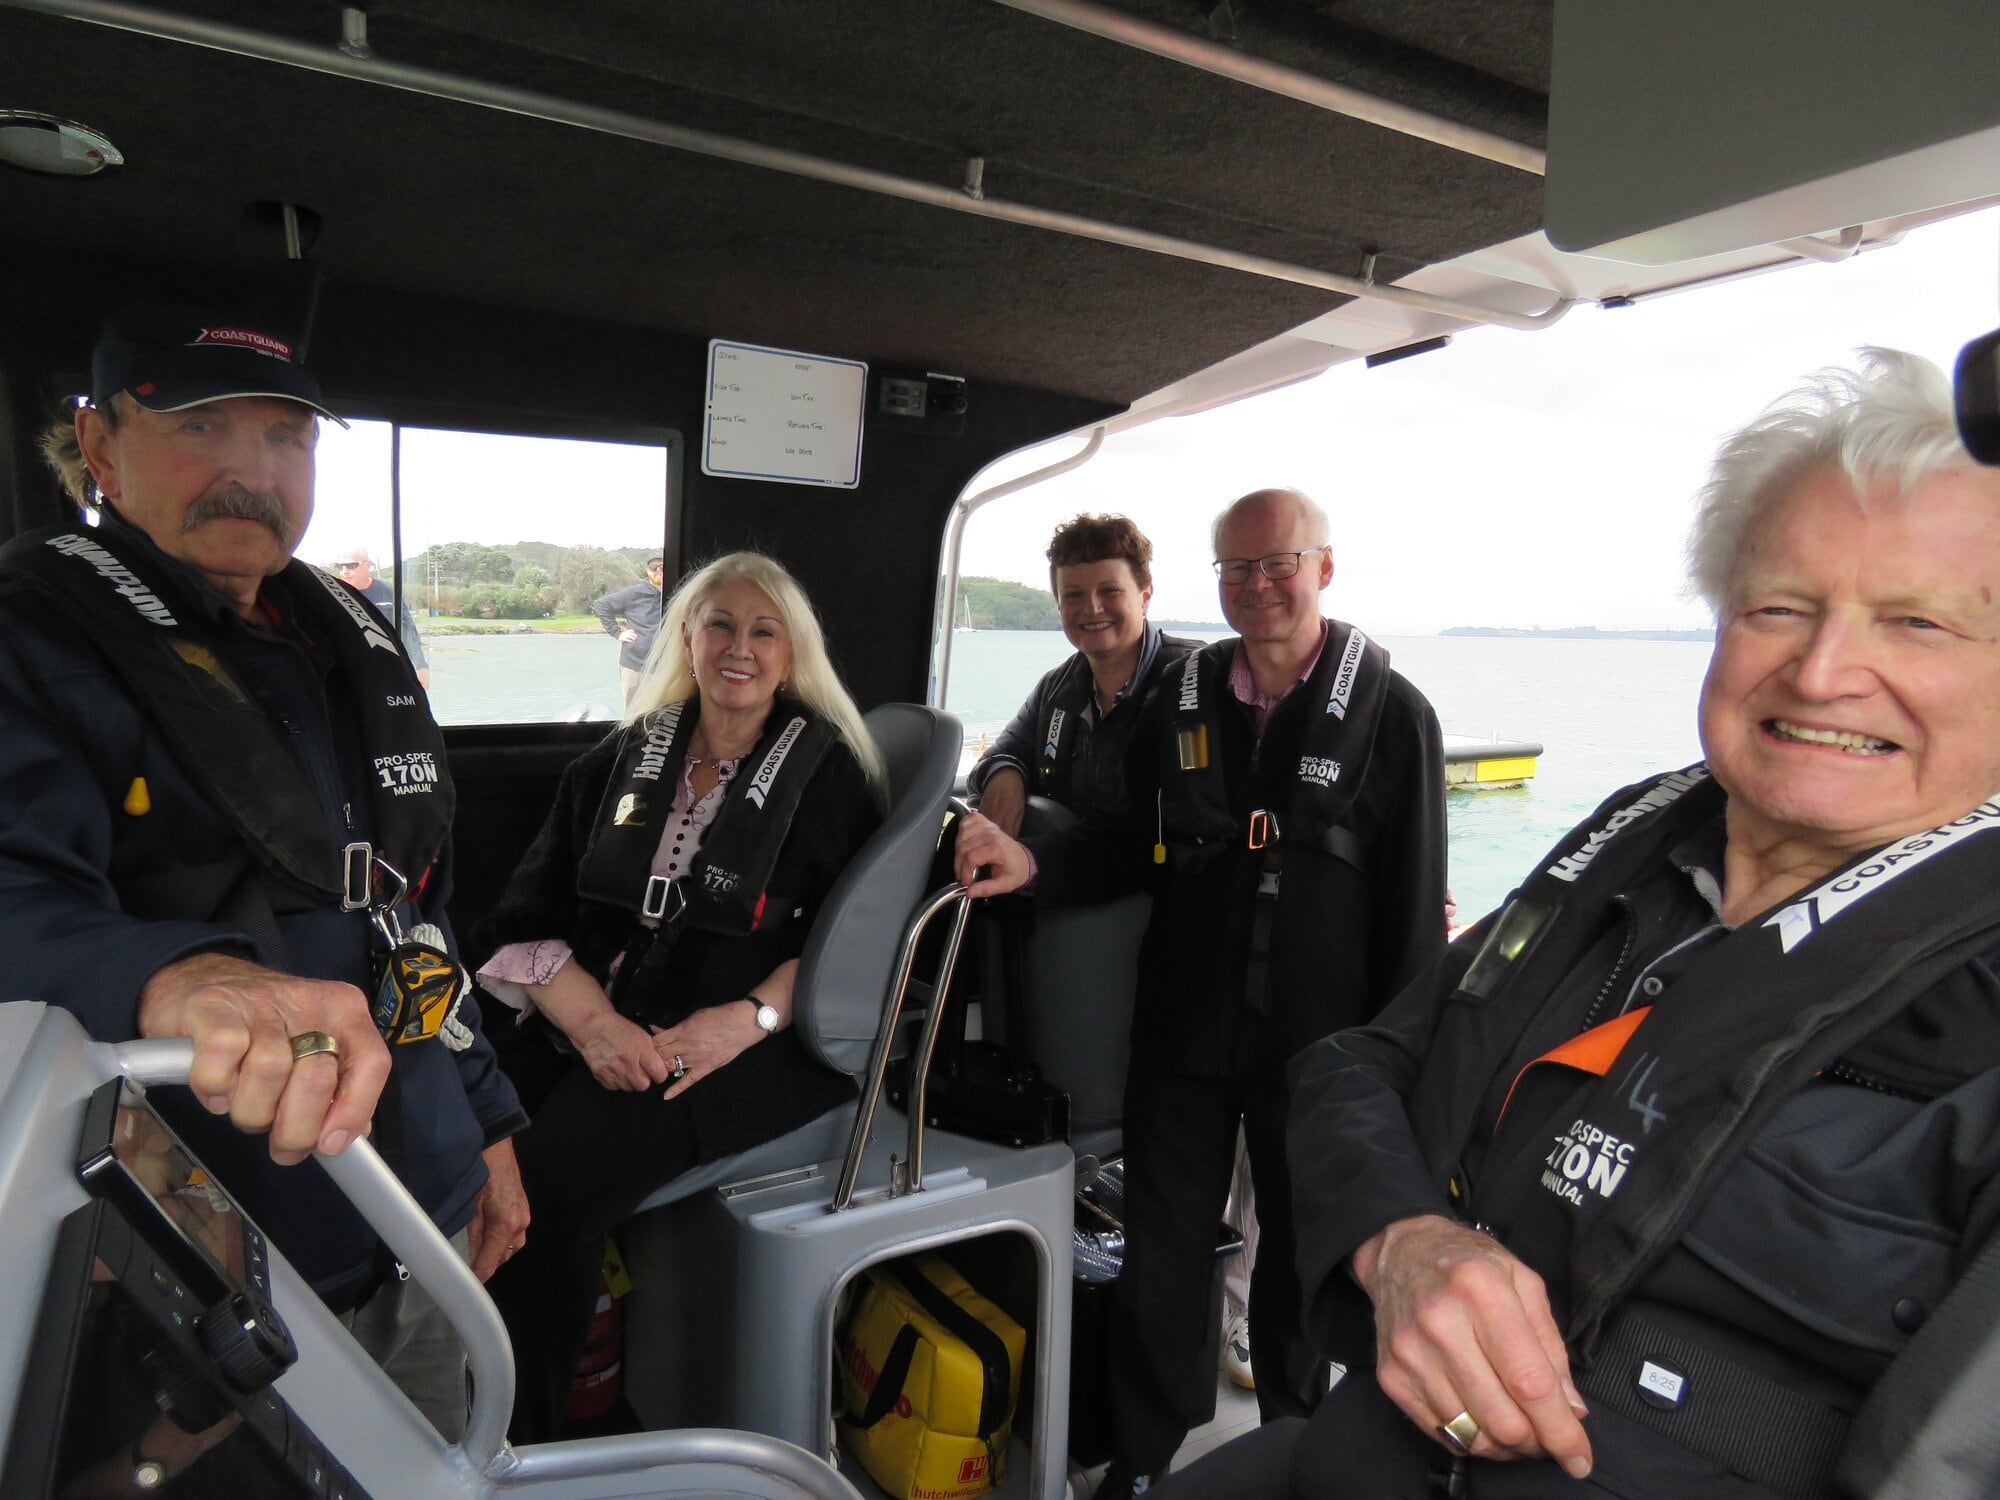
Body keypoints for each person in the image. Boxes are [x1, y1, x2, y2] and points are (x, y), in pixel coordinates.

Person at [1153, 349, 2000, 1500]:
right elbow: (1367, 1057)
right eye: (1778, 608)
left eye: (1916, 623)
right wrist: (1403, 1241)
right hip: (1361, 1453)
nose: (1822, 670)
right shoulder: (1635, 840)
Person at [3, 293, 528, 1439]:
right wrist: (182, 976)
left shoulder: (347, 642)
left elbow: (418, 908)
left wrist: (482, 1126)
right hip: (206, 1264)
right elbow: (13, 890)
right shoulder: (30, 641)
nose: (251, 473)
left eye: (286, 437)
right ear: (98, 446)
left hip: (419, 1206)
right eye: (199, 428)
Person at [956, 487, 1448, 1498]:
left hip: (1318, 1034)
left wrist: (1404, 1057)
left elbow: (1409, 904)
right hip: (1181, 1021)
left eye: (1277, 565)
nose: (1256, 586)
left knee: (1296, 1266)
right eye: (1234, 569)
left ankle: (1295, 1450)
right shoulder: (1183, 698)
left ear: (1321, 568)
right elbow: (1121, 838)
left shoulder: (1393, 715)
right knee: (1162, 1259)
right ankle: (1140, 1461)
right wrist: (1029, 862)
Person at [474, 550, 885, 1440]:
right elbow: (521, 916)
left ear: (791, 652)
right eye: (720, 625)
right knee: (456, 1118)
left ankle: (524, 1439)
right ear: (687, 638)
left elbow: (858, 943)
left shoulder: (833, 777)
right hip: (595, 1021)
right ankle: (457, 1368)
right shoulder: (619, 761)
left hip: (755, 1047)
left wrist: (749, 1020)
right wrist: (591, 1026)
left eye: (764, 630)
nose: (740, 647)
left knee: (548, 1183)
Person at [968, 513, 1199, 834]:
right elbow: (1002, 753)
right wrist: (1006, 775)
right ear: (1059, 603)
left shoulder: (1194, 680)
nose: (1092, 608)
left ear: (1144, 597)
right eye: (1074, 594)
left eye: (1109, 591)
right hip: (1059, 872)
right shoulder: (1056, 690)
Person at [331, 546, 431, 690]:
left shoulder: (388, 590)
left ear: (368, 565)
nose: (345, 571)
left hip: (387, 668)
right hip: (348, 671)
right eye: (340, 566)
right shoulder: (333, 594)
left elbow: (408, 628)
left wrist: (421, 666)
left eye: (351, 565)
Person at [594, 555, 666, 707]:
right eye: (654, 567)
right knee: (633, 716)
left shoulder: (675, 592)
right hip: (635, 668)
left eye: (663, 566)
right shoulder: (634, 593)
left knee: (662, 718)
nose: (658, 570)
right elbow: (602, 605)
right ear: (647, 571)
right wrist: (617, 633)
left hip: (666, 668)